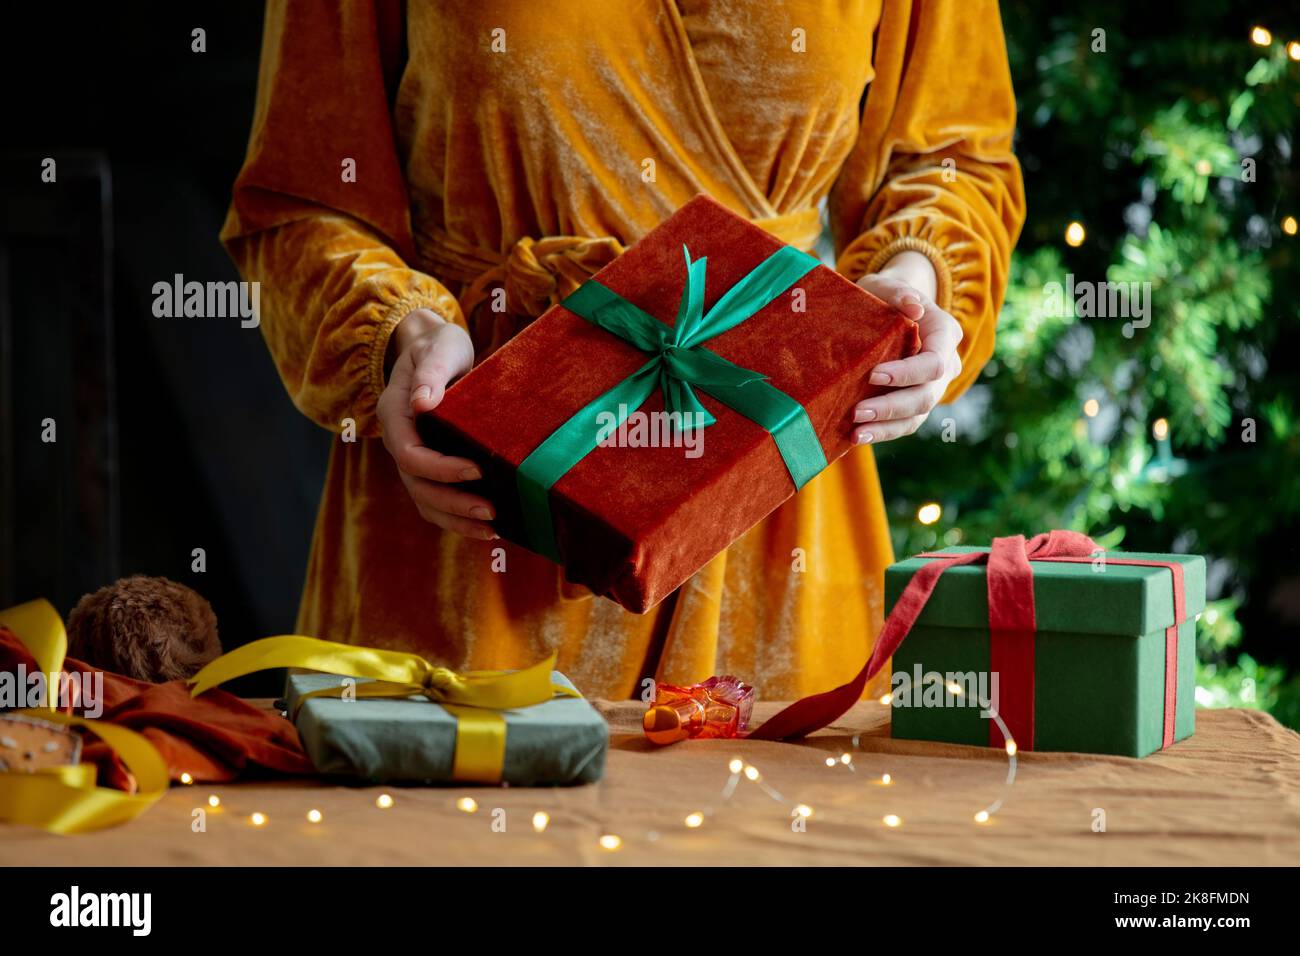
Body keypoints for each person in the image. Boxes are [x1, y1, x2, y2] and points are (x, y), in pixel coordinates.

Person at [221, 0, 1024, 703]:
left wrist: (918, 283)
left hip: (776, 472)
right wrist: (404, 332)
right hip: (483, 478)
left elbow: (953, 163)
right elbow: (300, 201)